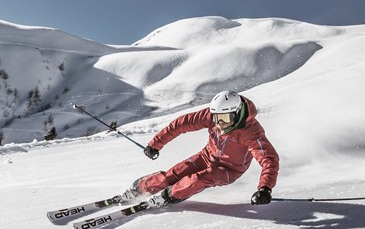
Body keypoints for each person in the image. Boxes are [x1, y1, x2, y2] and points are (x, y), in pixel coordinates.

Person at [116, 90, 279, 209]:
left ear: (236, 113)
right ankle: (139, 189)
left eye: (224, 119)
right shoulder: (212, 117)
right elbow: (181, 124)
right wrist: (155, 144)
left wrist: (264, 188)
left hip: (229, 170)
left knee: (198, 179)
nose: (219, 123)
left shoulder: (250, 131)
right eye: (216, 118)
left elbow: (269, 159)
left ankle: (167, 196)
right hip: (206, 156)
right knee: (173, 174)